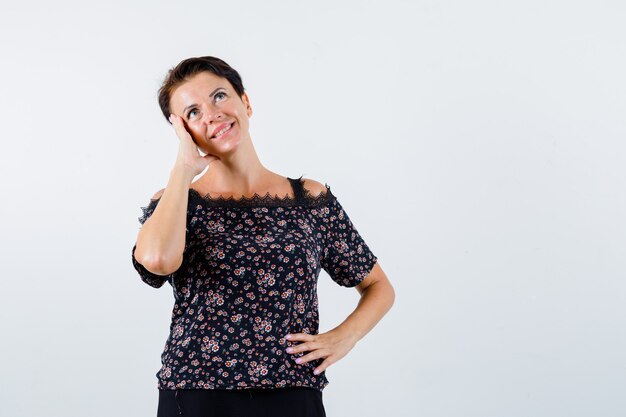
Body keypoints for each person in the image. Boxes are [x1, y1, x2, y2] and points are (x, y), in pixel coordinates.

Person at [131, 56, 395, 417]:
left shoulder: (309, 198)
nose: (211, 114)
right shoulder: (175, 201)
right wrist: (183, 168)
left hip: (292, 391)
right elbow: (158, 261)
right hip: (196, 394)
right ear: (182, 131)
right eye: (192, 112)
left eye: (219, 96)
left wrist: (343, 337)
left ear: (246, 102)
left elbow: (379, 286)